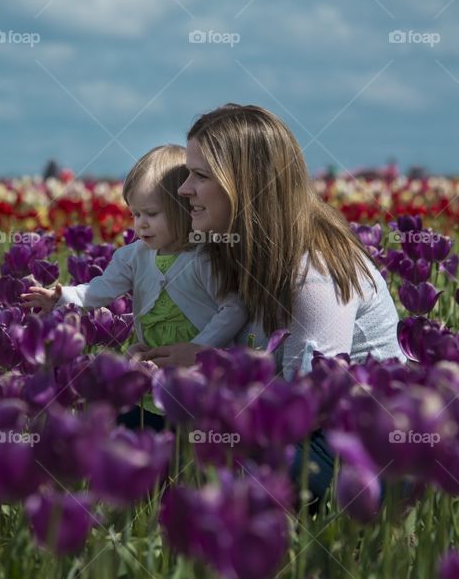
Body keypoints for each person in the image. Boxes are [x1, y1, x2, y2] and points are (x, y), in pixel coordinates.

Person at [135, 104, 406, 502]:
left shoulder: (315, 268)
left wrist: (209, 380)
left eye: (200, 175)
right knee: (136, 427)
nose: (183, 188)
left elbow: (308, 400)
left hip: (357, 440)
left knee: (210, 465)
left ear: (247, 185)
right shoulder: (234, 249)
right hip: (280, 421)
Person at [20, 144, 249, 424]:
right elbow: (101, 289)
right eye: (135, 214)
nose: (140, 225)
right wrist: (63, 296)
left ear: (184, 210)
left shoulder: (204, 258)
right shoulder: (132, 256)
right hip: (150, 361)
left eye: (151, 214)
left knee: (191, 425)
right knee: (143, 417)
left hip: (196, 366)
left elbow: (234, 308)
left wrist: (201, 348)